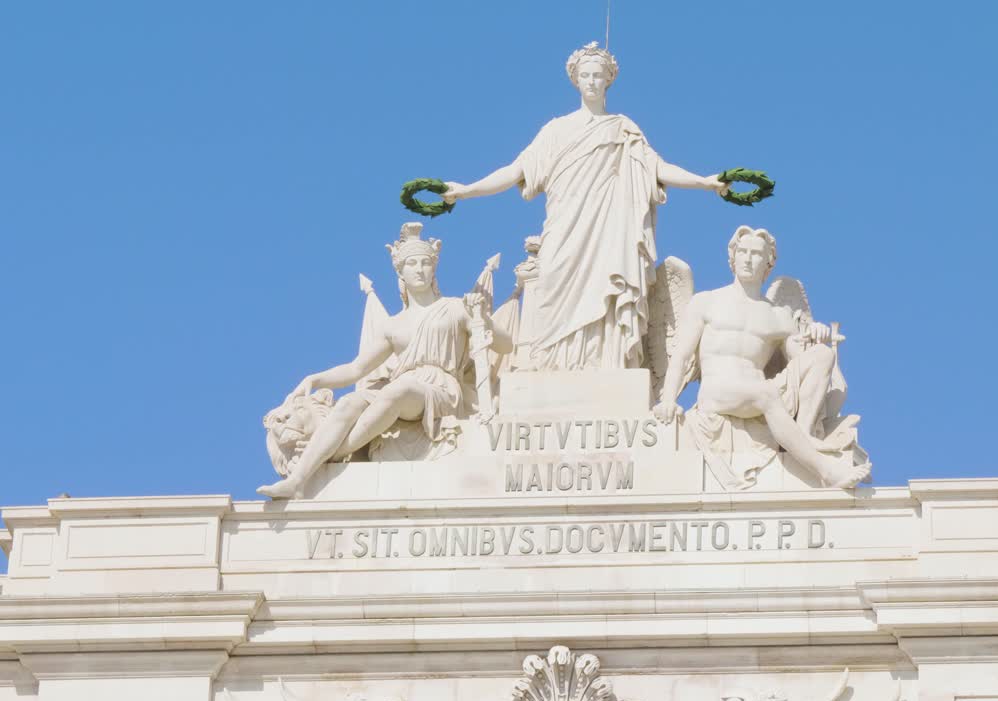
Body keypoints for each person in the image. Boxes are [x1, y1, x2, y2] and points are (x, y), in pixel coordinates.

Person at [441, 42, 726, 370]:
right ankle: (553, 366)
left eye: (598, 75)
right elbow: (515, 170)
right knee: (552, 285)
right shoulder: (555, 130)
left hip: (608, 229)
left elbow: (658, 168)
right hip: (564, 226)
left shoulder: (622, 128)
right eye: (585, 75)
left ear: (608, 80)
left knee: (605, 287)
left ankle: (605, 362)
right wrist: (466, 191)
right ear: (575, 80)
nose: (591, 81)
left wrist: (705, 181)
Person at [256, 224, 512, 499]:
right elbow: (356, 369)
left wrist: (482, 317)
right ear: (400, 272)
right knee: (348, 403)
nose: (419, 269)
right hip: (403, 386)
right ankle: (297, 481)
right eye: (411, 263)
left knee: (398, 390)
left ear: (434, 268)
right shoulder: (393, 325)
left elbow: (505, 345)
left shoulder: (455, 307)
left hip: (439, 389)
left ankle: (335, 452)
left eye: (425, 263)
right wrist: (314, 379)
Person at [652, 227, 866, 489]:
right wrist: (668, 400)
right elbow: (682, 356)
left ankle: (804, 432)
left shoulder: (779, 316)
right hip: (717, 391)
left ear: (768, 263)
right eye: (742, 252)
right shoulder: (706, 302)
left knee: (822, 356)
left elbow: (800, 359)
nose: (747, 259)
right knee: (766, 393)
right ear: (732, 257)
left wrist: (815, 335)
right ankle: (826, 471)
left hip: (760, 392)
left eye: (756, 254)